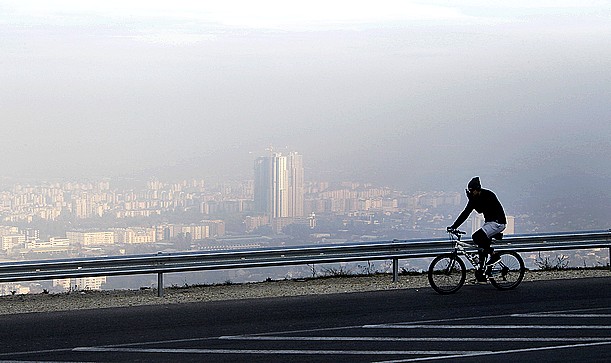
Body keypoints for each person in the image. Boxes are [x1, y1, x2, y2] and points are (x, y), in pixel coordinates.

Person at [447, 177, 506, 281]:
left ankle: (494, 255)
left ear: (477, 189)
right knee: (481, 247)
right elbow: (465, 213)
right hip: (489, 223)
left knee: (477, 236)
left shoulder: (488, 195)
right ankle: (482, 273)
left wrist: (473, 201)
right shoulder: (475, 199)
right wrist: (454, 226)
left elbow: (480, 209)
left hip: (498, 222)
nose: (471, 193)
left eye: (472, 191)